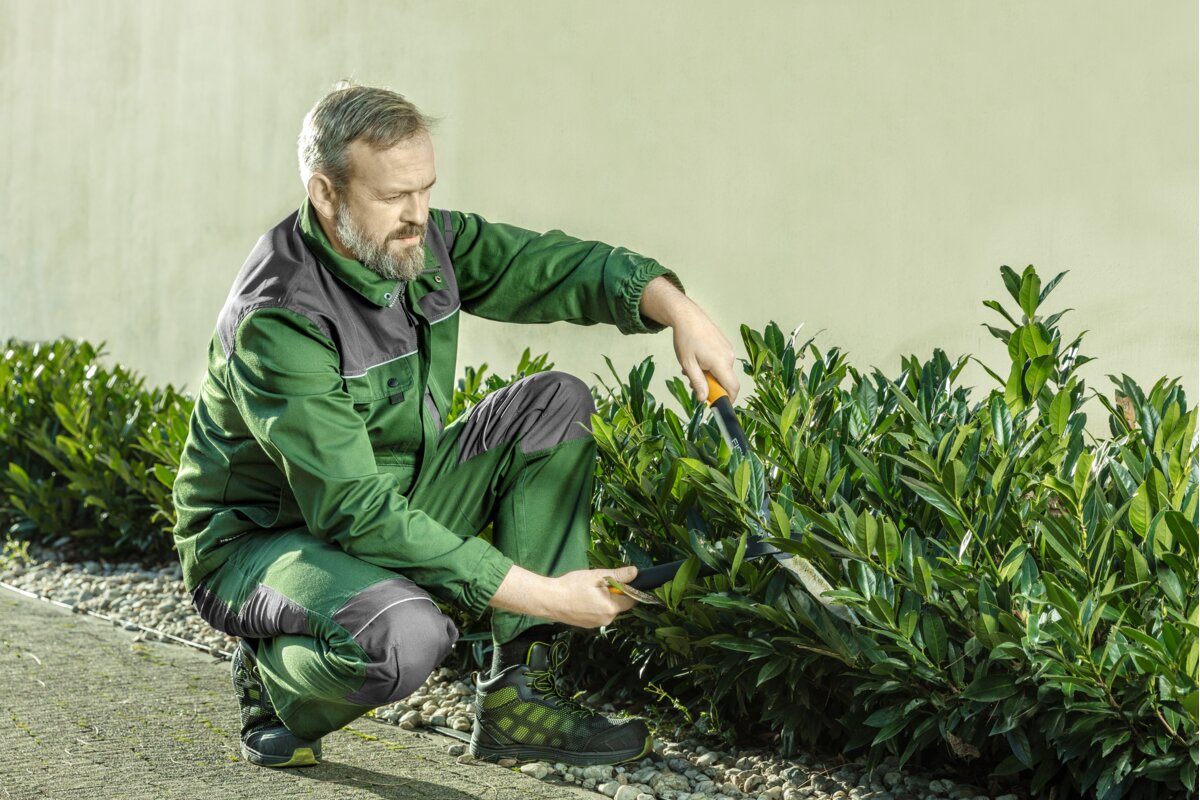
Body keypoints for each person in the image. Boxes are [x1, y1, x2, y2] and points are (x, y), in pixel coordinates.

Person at [171, 82, 739, 770]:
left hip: (390, 498)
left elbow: (549, 267)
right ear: (325, 193)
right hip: (263, 545)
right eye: (393, 196)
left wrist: (679, 310)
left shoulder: (419, 243)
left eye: (425, 190)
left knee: (553, 405)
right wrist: (550, 595)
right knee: (405, 636)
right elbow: (353, 509)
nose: (417, 215)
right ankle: (275, 683)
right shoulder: (281, 318)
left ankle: (520, 702)